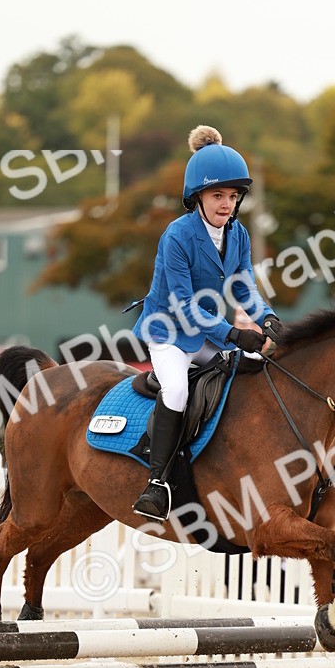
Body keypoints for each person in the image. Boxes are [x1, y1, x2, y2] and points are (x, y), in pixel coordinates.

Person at [129, 126, 281, 520]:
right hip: (169, 333)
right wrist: (232, 333)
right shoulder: (177, 235)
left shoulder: (239, 235)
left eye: (232, 196)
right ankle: (157, 483)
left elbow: (245, 287)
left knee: (248, 374)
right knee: (177, 390)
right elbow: (182, 304)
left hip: (206, 334)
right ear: (197, 197)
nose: (226, 204)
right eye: (218, 195)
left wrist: (268, 320)